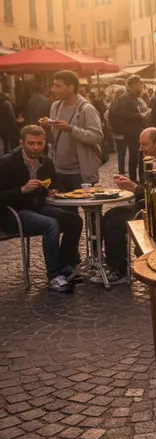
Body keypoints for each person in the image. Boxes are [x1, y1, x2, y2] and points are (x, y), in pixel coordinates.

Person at [99, 127, 156, 285]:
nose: (141, 148)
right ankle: (111, 263)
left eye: (144, 144)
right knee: (110, 215)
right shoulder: (154, 159)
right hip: (149, 205)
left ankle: (119, 270)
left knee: (114, 221)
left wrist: (134, 188)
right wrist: (133, 186)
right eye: (140, 144)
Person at [0, 125, 83, 292]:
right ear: (21, 143)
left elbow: (55, 181)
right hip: (13, 212)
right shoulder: (7, 162)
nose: (36, 147)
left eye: (39, 143)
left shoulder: (46, 162)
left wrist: (53, 190)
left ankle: (65, 266)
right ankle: (54, 276)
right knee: (51, 224)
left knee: (74, 220)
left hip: (37, 206)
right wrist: (22, 190)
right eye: (31, 143)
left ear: (44, 143)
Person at [48, 70, 104, 191]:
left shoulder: (86, 109)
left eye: (58, 86)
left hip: (80, 173)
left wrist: (71, 128)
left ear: (70, 88)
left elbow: (97, 136)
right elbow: (54, 139)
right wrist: (47, 129)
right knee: (61, 203)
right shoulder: (55, 107)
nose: (53, 89)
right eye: (54, 85)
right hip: (59, 171)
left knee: (84, 202)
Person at [110, 75, 147, 181]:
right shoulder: (125, 98)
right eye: (139, 83)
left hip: (137, 130)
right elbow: (121, 114)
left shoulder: (134, 97)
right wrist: (139, 116)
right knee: (134, 156)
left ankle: (141, 178)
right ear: (133, 84)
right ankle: (133, 179)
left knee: (140, 156)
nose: (141, 85)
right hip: (130, 132)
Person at [0, 81, 17, 156]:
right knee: (7, 147)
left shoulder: (5, 102)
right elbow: (11, 117)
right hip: (6, 129)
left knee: (5, 147)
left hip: (4, 129)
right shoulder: (6, 102)